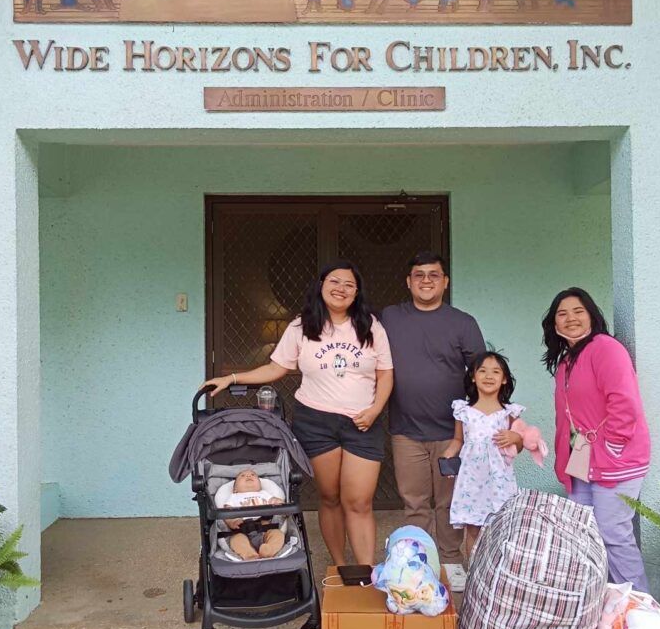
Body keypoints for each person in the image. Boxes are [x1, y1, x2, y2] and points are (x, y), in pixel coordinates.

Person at [201, 261, 393, 566]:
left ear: (356, 293)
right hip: (315, 421)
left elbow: (386, 373)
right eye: (334, 281)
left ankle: (365, 573)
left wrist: (374, 410)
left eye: (349, 285)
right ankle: (341, 569)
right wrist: (232, 378)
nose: (340, 288)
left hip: (363, 421)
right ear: (321, 285)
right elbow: (278, 367)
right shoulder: (301, 326)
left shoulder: (370, 326)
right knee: (329, 498)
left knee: (358, 502)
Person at [381, 252, 485, 592]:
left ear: (445, 282)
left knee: (449, 503)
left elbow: (480, 375)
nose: (427, 280)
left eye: (434, 275)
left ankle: (452, 561)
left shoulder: (463, 323)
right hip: (406, 430)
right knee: (414, 502)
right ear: (408, 282)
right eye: (419, 275)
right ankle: (419, 562)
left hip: (451, 434)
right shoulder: (390, 318)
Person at [542, 287, 650, 591]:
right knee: (585, 535)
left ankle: (640, 611)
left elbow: (625, 402)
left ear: (591, 314)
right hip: (582, 458)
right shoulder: (566, 361)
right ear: (554, 324)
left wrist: (613, 448)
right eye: (562, 314)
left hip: (616, 459)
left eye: (578, 311)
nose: (570, 318)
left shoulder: (606, 348)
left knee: (614, 535)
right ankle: (604, 610)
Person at [445, 352, 540, 558]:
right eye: (483, 371)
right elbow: (457, 441)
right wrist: (447, 457)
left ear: (504, 379)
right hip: (471, 480)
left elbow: (520, 445)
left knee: (499, 528)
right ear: (473, 376)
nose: (489, 376)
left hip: (499, 481)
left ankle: (494, 577)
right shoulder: (463, 410)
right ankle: (473, 574)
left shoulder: (510, 412)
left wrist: (514, 437)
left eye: (496, 372)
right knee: (473, 529)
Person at [214, 468, 286, 560]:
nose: (248, 476)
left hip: (265, 528)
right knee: (235, 540)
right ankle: (249, 554)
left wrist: (279, 503)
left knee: (278, 534)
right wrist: (232, 521)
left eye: (253, 475)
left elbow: (275, 501)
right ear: (235, 489)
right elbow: (227, 512)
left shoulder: (264, 494)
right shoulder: (234, 497)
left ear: (260, 485)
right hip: (242, 529)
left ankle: (269, 550)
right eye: (242, 476)